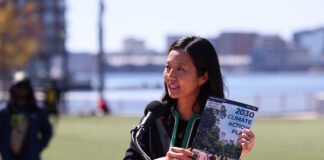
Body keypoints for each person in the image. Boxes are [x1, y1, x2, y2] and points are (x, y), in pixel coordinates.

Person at [124, 36, 255, 160]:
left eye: (180, 69)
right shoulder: (154, 117)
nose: (170, 75)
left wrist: (236, 155)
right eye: (168, 67)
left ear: (203, 77)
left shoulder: (222, 126)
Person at [0, 75, 53, 160]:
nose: (22, 90)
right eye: (19, 86)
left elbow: (47, 131)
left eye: (24, 86)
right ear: (13, 89)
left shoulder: (37, 111)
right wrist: (4, 149)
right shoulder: (4, 112)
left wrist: (37, 148)